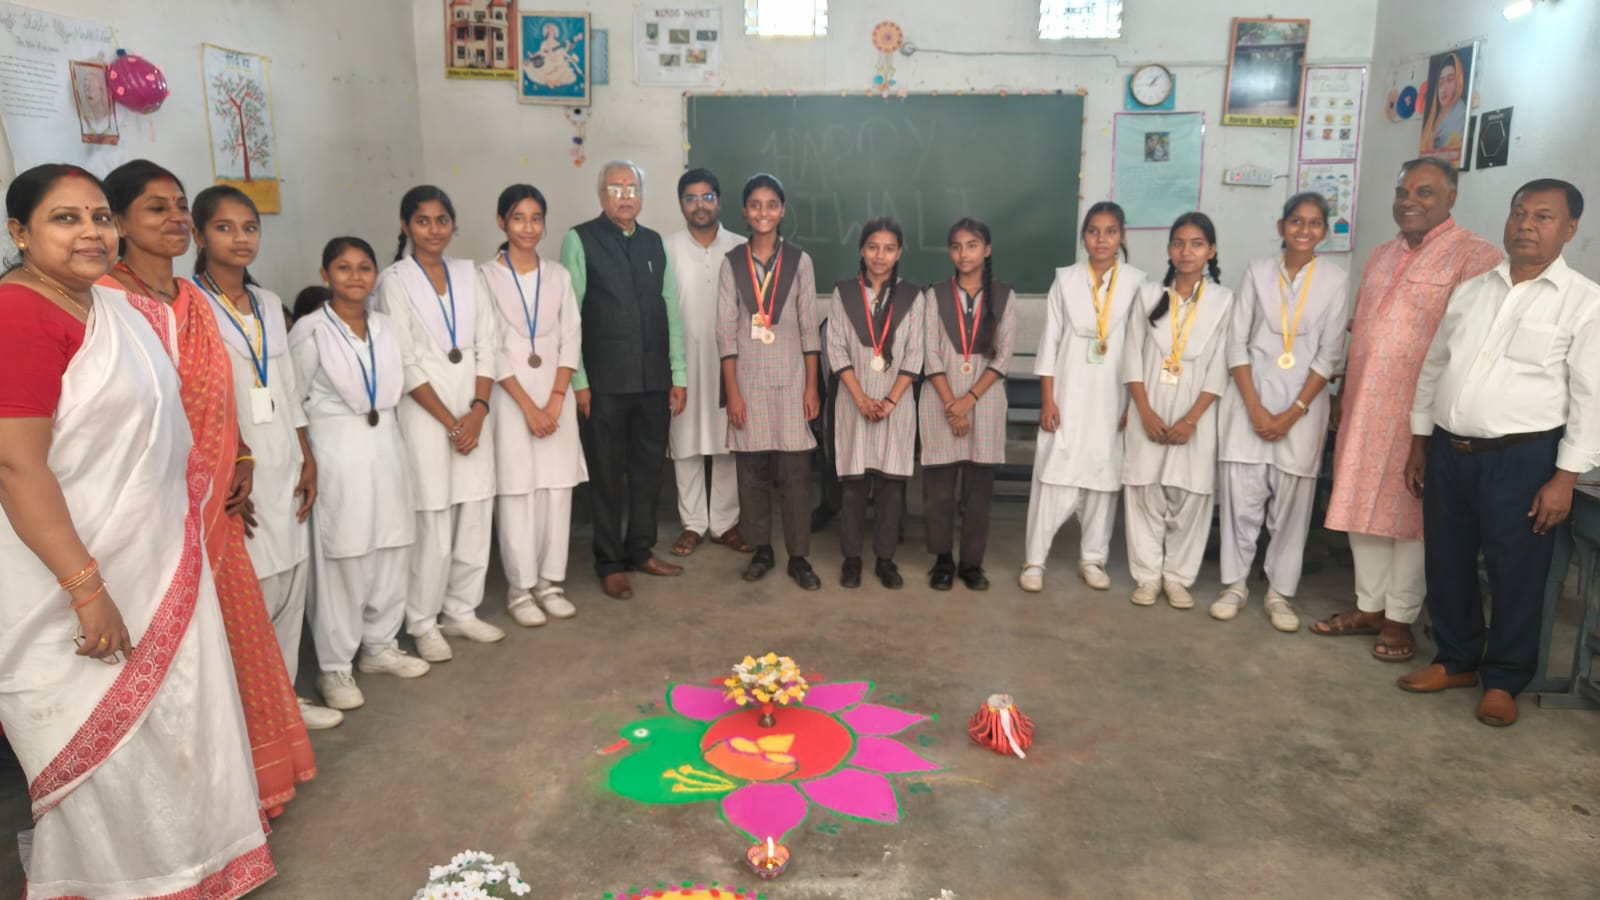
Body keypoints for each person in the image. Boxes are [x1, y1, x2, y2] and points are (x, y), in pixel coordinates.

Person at [0, 163, 274, 899]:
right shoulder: (18, 315)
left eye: (98, 217)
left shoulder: (111, 309)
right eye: (65, 218)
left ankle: (190, 870)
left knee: (174, 726)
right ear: (20, 232)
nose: (90, 232)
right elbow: (16, 467)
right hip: (73, 577)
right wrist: (87, 589)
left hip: (157, 563)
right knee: (114, 750)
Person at [102, 159, 314, 818]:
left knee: (234, 647)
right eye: (155, 207)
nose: (173, 217)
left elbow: (220, 395)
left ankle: (244, 788)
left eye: (178, 204)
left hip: (216, 507)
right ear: (120, 223)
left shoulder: (191, 303)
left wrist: (240, 457)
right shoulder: (107, 301)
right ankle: (192, 810)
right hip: (150, 516)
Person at [1399, 180, 1597, 727]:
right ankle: (1456, 659)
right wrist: (1420, 441)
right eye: (1518, 213)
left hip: (1523, 459)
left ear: (1570, 229)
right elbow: (1435, 366)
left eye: (1543, 216)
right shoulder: (1473, 290)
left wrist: (1565, 478)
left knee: (1518, 571)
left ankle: (1505, 679)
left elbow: (1591, 397)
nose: (1525, 224)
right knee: (1448, 559)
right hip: (1449, 449)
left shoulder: (1585, 302)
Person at [1315, 159, 1502, 660]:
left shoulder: (1476, 256)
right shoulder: (1380, 255)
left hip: (1422, 414)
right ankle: (1369, 607)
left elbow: (1474, 344)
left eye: (1424, 192)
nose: (1409, 201)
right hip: (1365, 407)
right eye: (1402, 192)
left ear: (1451, 198)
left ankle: (1399, 618)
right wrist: (1344, 392)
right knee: (1360, 507)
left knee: (1412, 515)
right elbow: (1361, 331)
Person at [191, 185, 342, 731]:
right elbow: (197, 399)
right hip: (238, 465)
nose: (241, 238)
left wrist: (306, 452)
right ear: (198, 235)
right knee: (252, 586)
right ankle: (252, 713)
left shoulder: (268, 303)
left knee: (292, 577)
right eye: (224, 227)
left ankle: (286, 700)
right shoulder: (191, 305)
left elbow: (287, 386)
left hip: (283, 455)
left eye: (250, 227)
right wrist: (227, 464)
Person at [290, 237, 426, 712]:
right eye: (343, 268)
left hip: (385, 442)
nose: (355, 276)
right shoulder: (310, 330)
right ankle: (334, 666)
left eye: (364, 267)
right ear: (325, 275)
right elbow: (294, 400)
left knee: (391, 545)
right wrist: (306, 458)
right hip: (336, 448)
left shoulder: (386, 326)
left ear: (375, 276)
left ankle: (380, 646)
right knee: (344, 557)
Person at [376, 185, 504, 663]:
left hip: (474, 407)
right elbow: (404, 359)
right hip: (426, 413)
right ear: (406, 226)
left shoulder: (470, 274)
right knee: (433, 518)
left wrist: (478, 411)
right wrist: (453, 423)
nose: (434, 230)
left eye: (442, 220)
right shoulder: (394, 280)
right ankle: (423, 620)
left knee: (475, 511)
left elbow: (488, 345)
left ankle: (462, 609)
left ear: (453, 224)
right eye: (423, 221)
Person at [1211, 193, 1349, 632]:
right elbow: (1236, 343)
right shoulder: (1257, 272)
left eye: (1314, 223)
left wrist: (1291, 414)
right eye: (1296, 221)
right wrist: (1255, 408)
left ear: (1324, 231)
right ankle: (1234, 585)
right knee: (1241, 500)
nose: (1304, 230)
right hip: (1248, 403)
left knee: (1292, 507)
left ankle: (1278, 593)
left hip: (1301, 412)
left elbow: (1329, 355)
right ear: (1281, 226)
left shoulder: (1335, 280)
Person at [561, 160, 689, 599]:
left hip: (653, 381)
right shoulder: (580, 239)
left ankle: (640, 550)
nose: (625, 195)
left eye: (632, 187)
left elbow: (670, 310)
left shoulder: (654, 243)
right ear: (601, 196)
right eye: (616, 188)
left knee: (649, 471)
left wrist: (678, 373)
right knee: (606, 475)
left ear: (642, 194)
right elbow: (569, 317)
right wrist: (579, 381)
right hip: (603, 385)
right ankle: (609, 561)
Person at [1021, 202, 1145, 594]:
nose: (1101, 239)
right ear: (1083, 236)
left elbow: (1140, 349)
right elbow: (1050, 343)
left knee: (1102, 477)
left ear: (1121, 236)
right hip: (1068, 394)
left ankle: (1092, 558)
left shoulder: (1137, 284)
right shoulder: (1066, 280)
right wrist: (1048, 399)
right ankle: (1035, 560)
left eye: (1110, 231)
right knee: (1054, 473)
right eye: (1093, 231)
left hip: (1113, 397)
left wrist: (1133, 404)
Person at [482, 184, 585, 626]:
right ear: (502, 222)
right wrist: (529, 407)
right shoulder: (484, 278)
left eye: (536, 218)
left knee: (556, 492)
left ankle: (550, 583)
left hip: (555, 395)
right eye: (519, 217)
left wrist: (556, 399)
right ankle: (521, 591)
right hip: (510, 400)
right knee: (517, 493)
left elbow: (571, 337)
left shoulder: (558, 275)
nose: (528, 227)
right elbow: (489, 347)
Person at [1121, 212, 1234, 610]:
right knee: (1144, 491)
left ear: (1211, 250)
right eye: (1179, 243)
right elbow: (1131, 356)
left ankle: (1178, 578)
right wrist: (1144, 411)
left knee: (1191, 494)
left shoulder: (1224, 301)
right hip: (1149, 407)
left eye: (1197, 244)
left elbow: (1221, 366)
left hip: (1195, 414)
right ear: (1169, 249)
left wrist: (1191, 420)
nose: (1187, 252)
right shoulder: (1149, 295)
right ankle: (1148, 576)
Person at [717, 173, 822, 589]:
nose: (763, 212)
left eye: (771, 204)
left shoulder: (800, 261)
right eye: (755, 204)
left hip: (793, 381)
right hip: (748, 383)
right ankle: (761, 548)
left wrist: (811, 386)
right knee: (752, 472)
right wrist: (732, 392)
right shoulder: (732, 263)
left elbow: (809, 328)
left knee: (796, 475)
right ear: (745, 211)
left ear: (782, 211)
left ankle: (799, 557)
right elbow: (725, 332)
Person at [827, 216, 925, 589]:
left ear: (899, 253)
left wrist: (888, 401)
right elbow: (836, 348)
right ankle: (851, 559)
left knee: (890, 487)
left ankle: (885, 560)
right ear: (861, 250)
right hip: (854, 401)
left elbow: (915, 353)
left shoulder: (914, 297)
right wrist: (862, 398)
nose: (880, 256)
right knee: (852, 486)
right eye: (872, 247)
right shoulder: (843, 293)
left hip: (895, 405)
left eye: (888, 249)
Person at [920, 218, 1016, 591]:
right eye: (957, 246)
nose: (964, 254)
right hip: (940, 399)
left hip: (985, 402)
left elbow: (1003, 357)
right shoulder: (935, 295)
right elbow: (930, 353)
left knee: (978, 494)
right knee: (939, 491)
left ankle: (971, 563)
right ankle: (942, 560)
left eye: (972, 245)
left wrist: (968, 401)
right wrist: (952, 404)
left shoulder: (1004, 296)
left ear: (987, 250)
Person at [666, 167, 750, 557]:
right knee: (684, 442)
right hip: (681, 361)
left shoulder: (741, 247)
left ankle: (724, 523)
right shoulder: (665, 248)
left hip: (729, 363)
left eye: (707, 197)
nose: (700, 205)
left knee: (727, 442)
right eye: (691, 198)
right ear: (681, 204)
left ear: (719, 200)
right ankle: (693, 523)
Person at [1421, 53, 1469, 160]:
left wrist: (1432, 148)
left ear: (1458, 83)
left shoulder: (1461, 115)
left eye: (1450, 80)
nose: (1444, 89)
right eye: (1441, 83)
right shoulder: (1437, 117)